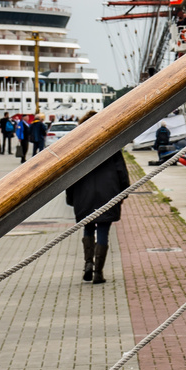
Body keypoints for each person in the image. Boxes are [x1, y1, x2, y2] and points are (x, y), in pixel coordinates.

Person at [65, 111, 128, 284]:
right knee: (103, 231)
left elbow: (69, 174)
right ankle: (98, 273)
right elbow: (121, 170)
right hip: (108, 193)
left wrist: (71, 197)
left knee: (88, 227)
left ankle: (88, 264)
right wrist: (124, 191)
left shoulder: (76, 145)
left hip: (83, 194)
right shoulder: (111, 143)